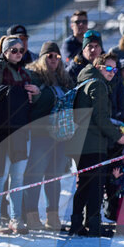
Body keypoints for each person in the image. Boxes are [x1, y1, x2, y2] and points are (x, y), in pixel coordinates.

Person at [0, 35, 39, 234]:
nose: (18, 54)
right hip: (1, 131)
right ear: (4, 52)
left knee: (18, 178)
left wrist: (35, 93)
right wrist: (14, 93)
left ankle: (16, 218)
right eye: (13, 50)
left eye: (21, 50)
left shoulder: (25, 72)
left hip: (21, 130)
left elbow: (32, 101)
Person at [70, 53, 124, 236]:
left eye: (115, 69)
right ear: (98, 67)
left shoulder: (85, 81)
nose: (112, 72)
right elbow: (100, 118)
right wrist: (117, 136)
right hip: (93, 143)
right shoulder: (98, 85)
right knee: (96, 186)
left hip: (81, 143)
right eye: (108, 68)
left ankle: (77, 224)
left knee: (84, 185)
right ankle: (94, 226)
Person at [23, 41, 74, 231]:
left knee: (54, 176)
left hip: (60, 135)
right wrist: (43, 95)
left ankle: (53, 216)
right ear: (42, 57)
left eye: (57, 56)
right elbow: (32, 102)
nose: (54, 59)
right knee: (35, 175)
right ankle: (31, 215)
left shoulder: (64, 78)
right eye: (50, 56)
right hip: (40, 133)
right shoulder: (33, 75)